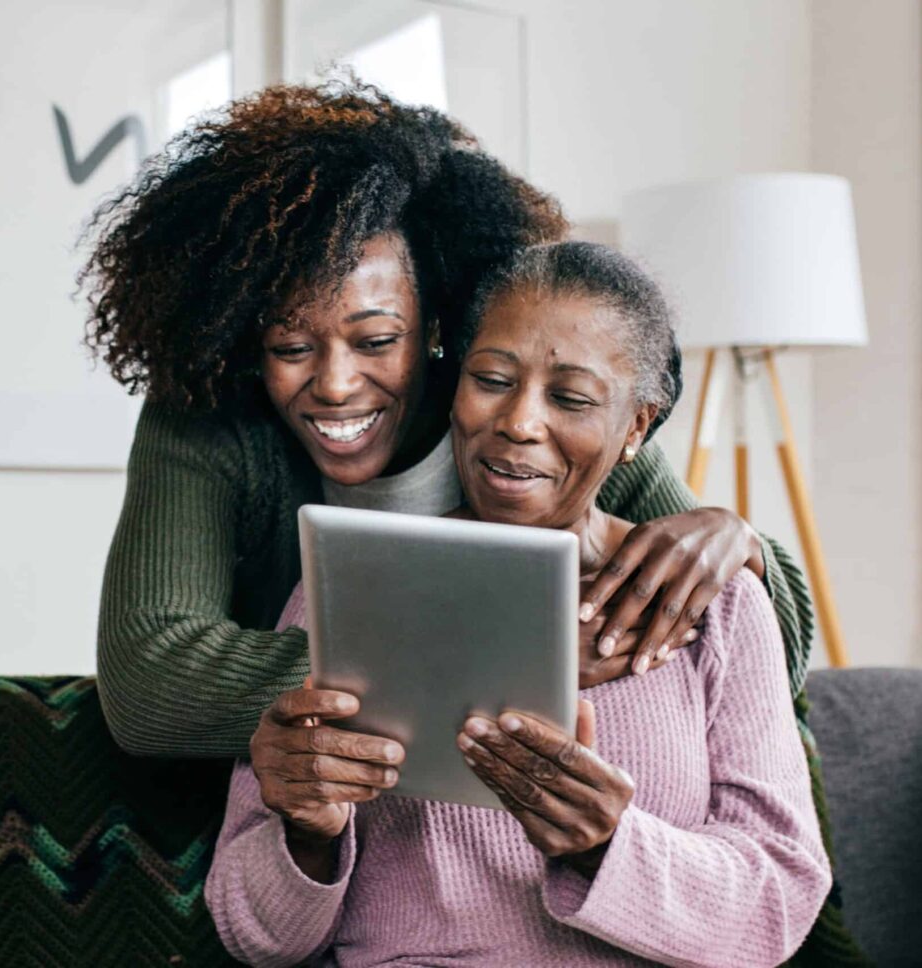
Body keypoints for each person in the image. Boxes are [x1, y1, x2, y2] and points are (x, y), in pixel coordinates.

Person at [81, 80, 813, 760]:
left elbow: (771, 651)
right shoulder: (212, 413)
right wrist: (507, 655)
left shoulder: (540, 419)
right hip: (309, 810)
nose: (335, 385)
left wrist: (738, 543)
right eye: (291, 346)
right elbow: (151, 687)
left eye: (376, 341)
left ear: (436, 324)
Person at [205, 242, 831, 967]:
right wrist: (305, 835)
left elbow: (778, 905)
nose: (519, 422)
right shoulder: (347, 583)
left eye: (569, 398)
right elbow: (253, 935)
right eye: (492, 380)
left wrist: (608, 847)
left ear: (635, 427)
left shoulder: (719, 604)